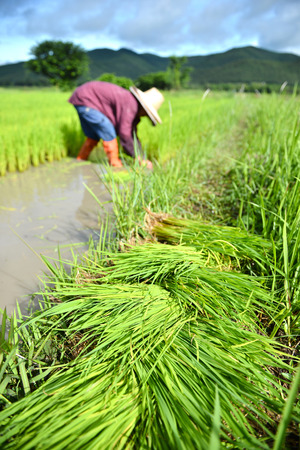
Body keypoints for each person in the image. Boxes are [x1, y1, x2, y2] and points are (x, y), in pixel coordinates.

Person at [68, 81, 164, 169]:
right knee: (108, 129)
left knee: (93, 136)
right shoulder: (131, 105)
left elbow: (132, 134)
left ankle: (80, 160)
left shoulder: (132, 105)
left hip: (83, 97)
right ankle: (115, 166)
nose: (145, 116)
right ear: (144, 108)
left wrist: (141, 156)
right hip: (86, 98)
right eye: (147, 114)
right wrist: (138, 158)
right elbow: (125, 133)